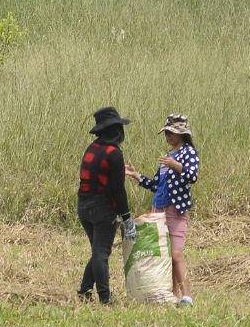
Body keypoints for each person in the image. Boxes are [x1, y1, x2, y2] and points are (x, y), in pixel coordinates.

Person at [129, 113, 200, 305]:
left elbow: (192, 176)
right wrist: (137, 176)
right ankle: (172, 294)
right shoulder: (167, 156)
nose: (167, 136)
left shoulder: (188, 153)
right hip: (158, 210)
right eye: (166, 133)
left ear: (182, 134)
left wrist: (175, 165)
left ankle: (187, 295)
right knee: (164, 255)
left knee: (176, 254)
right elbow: (156, 184)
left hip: (175, 210)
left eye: (171, 133)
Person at [76, 106, 131, 303]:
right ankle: (105, 299)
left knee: (98, 251)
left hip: (83, 206)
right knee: (101, 253)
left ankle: (84, 291)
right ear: (116, 131)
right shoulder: (114, 154)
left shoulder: (92, 148)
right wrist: (126, 217)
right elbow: (117, 190)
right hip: (102, 208)